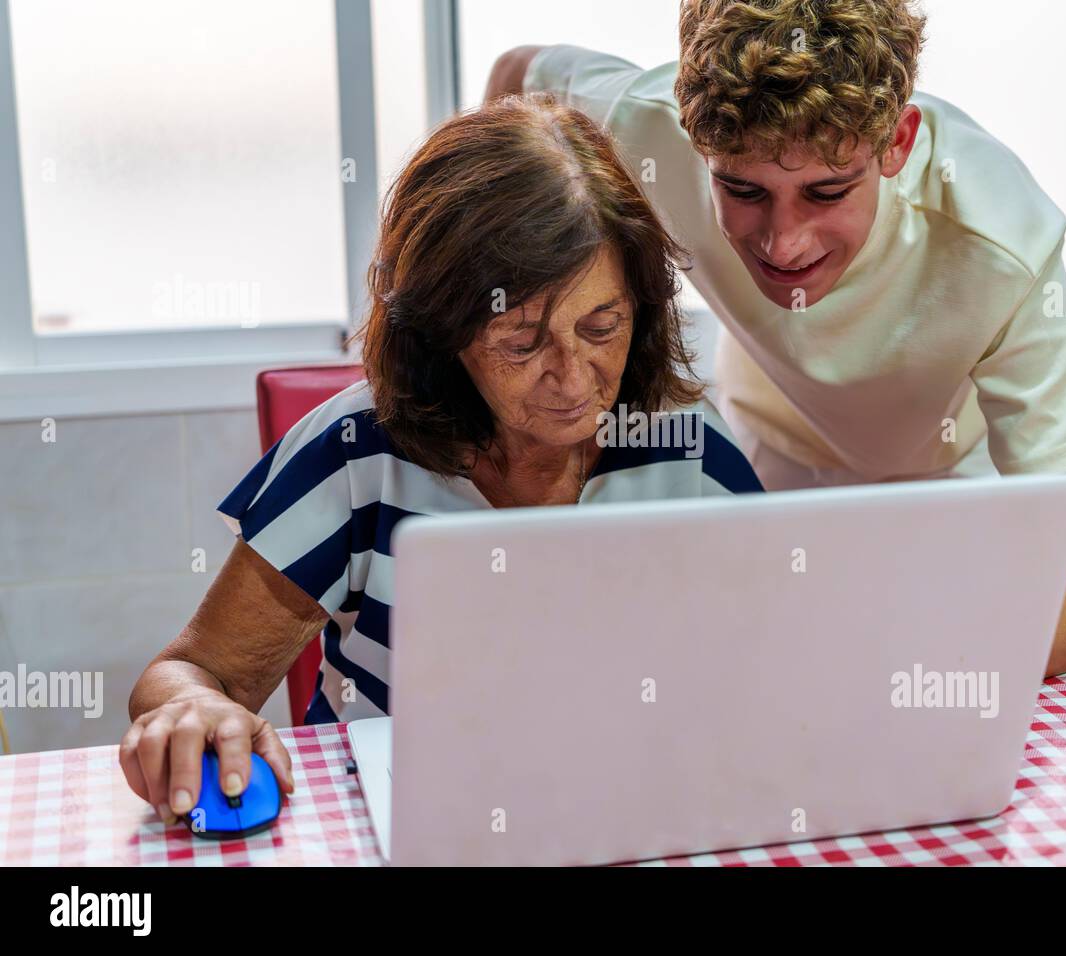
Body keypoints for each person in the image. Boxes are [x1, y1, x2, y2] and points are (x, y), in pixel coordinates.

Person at [120, 94, 763, 826]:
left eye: (602, 325)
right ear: (442, 331)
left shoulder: (686, 447)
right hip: (397, 821)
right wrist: (195, 710)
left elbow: (778, 665)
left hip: (624, 813)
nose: (575, 376)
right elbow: (193, 671)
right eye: (521, 341)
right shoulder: (358, 452)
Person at [487, 0, 1066, 676]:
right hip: (767, 447)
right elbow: (515, 74)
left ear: (899, 142)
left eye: (827, 193)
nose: (784, 243)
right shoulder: (638, 121)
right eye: (742, 188)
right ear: (691, 138)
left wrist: (920, 672)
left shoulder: (1003, 241)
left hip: (942, 474)